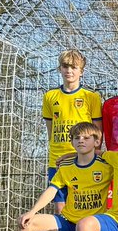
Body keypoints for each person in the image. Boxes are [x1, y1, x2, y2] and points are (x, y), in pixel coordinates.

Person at [12, 122, 112, 231]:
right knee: (27, 223)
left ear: (97, 142)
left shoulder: (107, 165)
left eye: (87, 138)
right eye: (77, 138)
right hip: (67, 222)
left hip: (90, 229)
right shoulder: (66, 167)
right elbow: (52, 190)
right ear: (72, 142)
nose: (81, 140)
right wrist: (32, 211)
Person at [42, 50, 102, 210]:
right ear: (59, 69)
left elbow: (97, 133)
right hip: (57, 159)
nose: (69, 71)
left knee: (84, 206)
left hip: (83, 159)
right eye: (65, 66)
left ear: (81, 71)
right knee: (61, 208)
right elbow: (51, 131)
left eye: (74, 67)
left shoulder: (92, 97)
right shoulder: (50, 96)